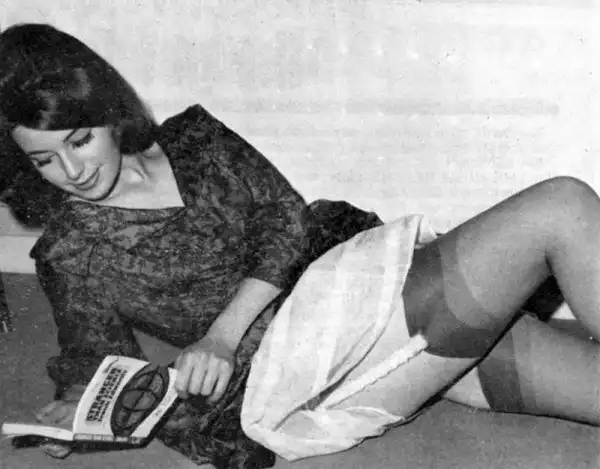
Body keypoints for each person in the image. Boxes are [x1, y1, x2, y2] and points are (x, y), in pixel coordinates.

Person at [0, 22, 599, 469]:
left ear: (109, 116)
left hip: (354, 287)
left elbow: (285, 219)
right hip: (305, 362)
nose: (72, 172)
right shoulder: (70, 252)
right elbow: (94, 353)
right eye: (44, 160)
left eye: (80, 141)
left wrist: (221, 334)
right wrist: (76, 407)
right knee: (562, 204)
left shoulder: (195, 139)